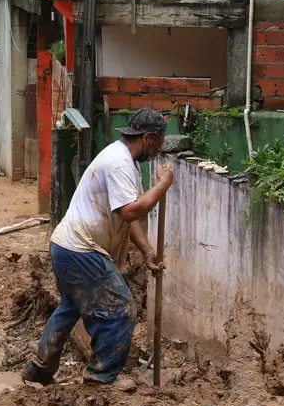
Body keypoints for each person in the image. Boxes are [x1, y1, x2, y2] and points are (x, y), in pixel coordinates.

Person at [24, 108, 173, 387]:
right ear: (148, 137)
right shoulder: (120, 163)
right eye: (159, 143)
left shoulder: (120, 157)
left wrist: (148, 252)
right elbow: (130, 212)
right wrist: (162, 186)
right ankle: (99, 381)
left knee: (71, 307)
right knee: (121, 311)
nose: (159, 149)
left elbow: (125, 216)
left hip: (65, 246)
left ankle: (39, 369)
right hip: (81, 249)